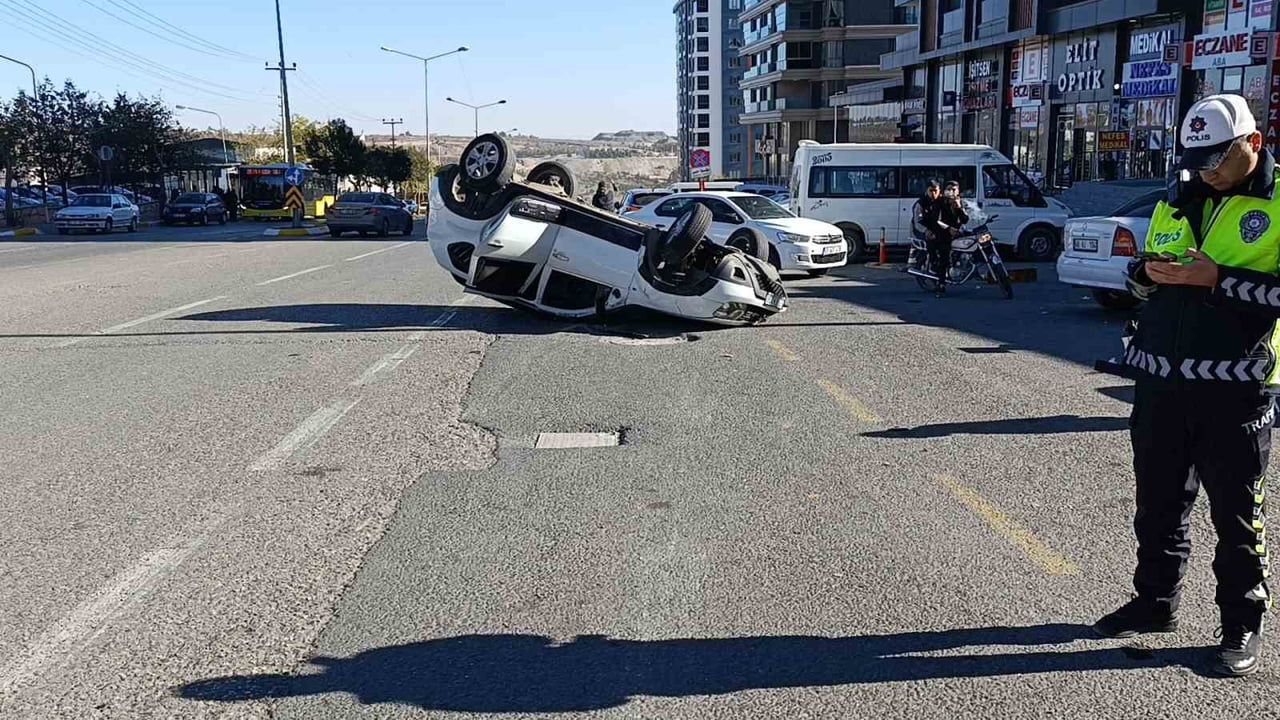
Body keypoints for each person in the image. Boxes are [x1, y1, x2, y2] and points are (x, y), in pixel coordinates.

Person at [1101, 94, 1275, 677]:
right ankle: (1154, 603)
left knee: (1237, 517)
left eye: (1217, 158)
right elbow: (1149, 276)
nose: (1205, 170)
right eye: (1196, 159)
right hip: (1160, 383)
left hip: (1238, 389)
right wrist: (1145, 276)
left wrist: (1219, 280)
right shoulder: (1177, 199)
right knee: (1157, 506)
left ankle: (1241, 625)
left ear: (1253, 142)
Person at [922, 180, 968, 297]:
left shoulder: (959, 202)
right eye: (949, 189)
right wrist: (948, 229)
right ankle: (941, 284)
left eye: (954, 189)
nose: (951, 192)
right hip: (943, 233)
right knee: (944, 256)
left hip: (957, 233)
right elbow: (936, 220)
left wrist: (960, 209)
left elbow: (965, 220)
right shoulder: (940, 202)